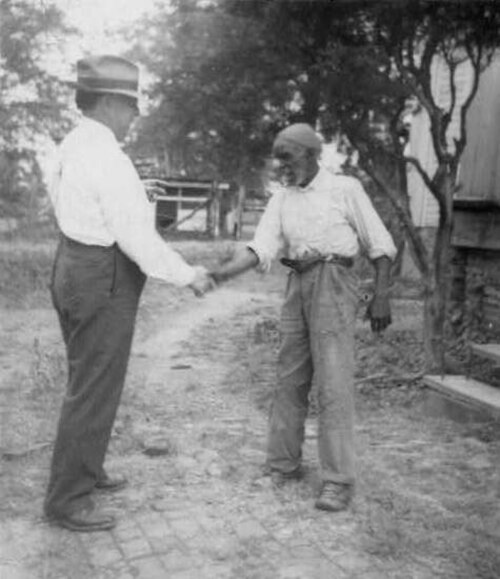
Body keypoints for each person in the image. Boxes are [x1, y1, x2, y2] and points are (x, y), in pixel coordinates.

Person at [44, 55, 214, 532]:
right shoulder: (107, 157)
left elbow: (78, 199)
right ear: (104, 102)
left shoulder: (72, 145)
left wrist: (134, 189)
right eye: (129, 105)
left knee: (87, 377)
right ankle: (67, 501)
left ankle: (87, 467)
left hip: (71, 265)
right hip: (103, 275)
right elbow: (138, 239)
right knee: (95, 386)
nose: (134, 115)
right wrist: (188, 275)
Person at [210, 123, 396, 512]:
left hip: (335, 282)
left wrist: (381, 295)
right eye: (277, 158)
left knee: (333, 382)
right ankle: (283, 465)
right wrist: (218, 274)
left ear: (312, 155)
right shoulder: (282, 199)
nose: (281, 166)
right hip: (297, 282)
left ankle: (337, 480)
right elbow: (260, 248)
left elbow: (380, 246)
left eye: (288, 157)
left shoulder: (346, 189)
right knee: (289, 378)